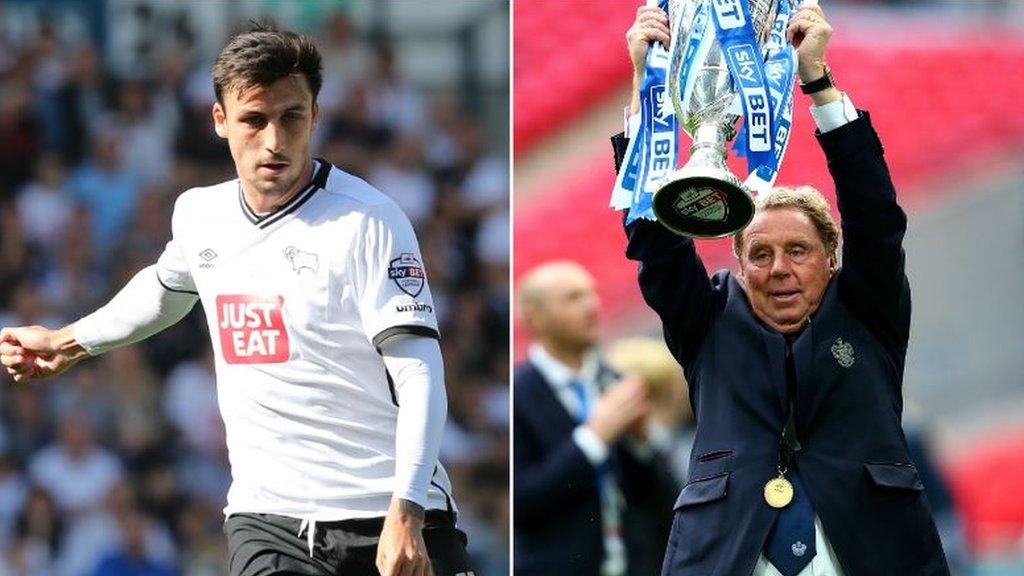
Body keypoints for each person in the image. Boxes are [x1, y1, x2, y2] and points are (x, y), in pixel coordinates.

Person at [1, 23, 473, 576]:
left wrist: (408, 510)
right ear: (220, 121)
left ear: (315, 117)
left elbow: (420, 374)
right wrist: (68, 341)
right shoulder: (201, 216)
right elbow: (167, 289)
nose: (274, 140)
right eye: (255, 119)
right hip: (267, 519)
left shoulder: (370, 221)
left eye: (291, 117)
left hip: (385, 512)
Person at [616, 4, 950, 576]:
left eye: (797, 251)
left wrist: (817, 80)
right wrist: (647, 91)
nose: (778, 269)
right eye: (760, 255)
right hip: (731, 556)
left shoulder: (868, 311)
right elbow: (657, 245)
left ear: (830, 258)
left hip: (864, 552)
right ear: (740, 266)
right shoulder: (710, 319)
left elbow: (875, 217)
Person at [513, 261, 678, 576]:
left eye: (592, 294)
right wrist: (593, 439)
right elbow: (520, 502)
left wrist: (643, 443)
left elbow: (663, 500)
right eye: (573, 298)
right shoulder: (518, 394)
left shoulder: (616, 383)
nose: (592, 306)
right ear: (535, 318)